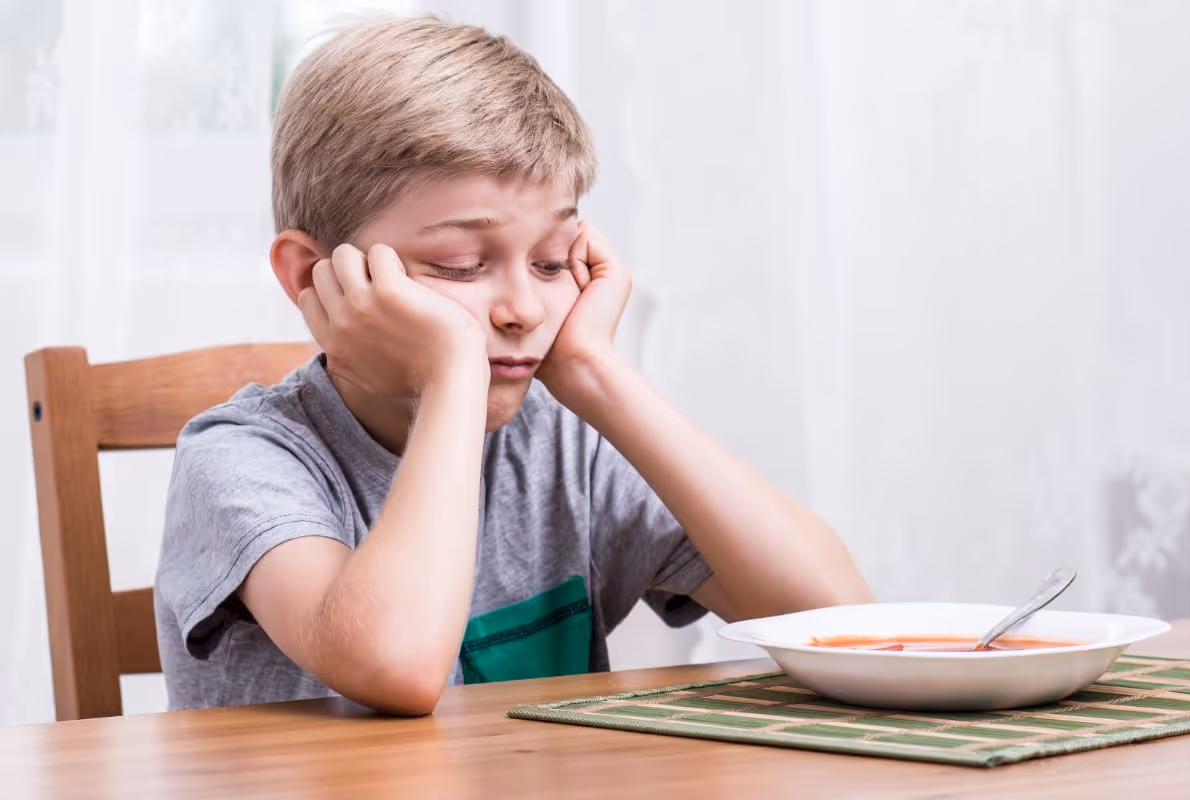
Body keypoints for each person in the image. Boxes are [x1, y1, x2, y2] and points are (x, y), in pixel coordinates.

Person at [154, 15, 873, 714]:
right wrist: (452, 373)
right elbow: (396, 665)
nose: (524, 308)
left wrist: (595, 373)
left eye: (553, 260)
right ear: (312, 275)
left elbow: (838, 621)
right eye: (461, 266)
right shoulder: (240, 460)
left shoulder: (566, 446)